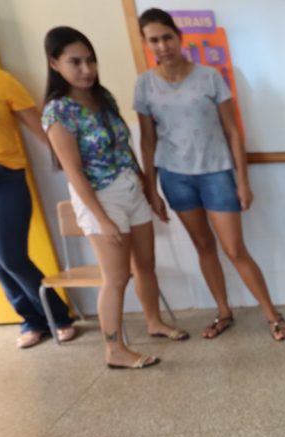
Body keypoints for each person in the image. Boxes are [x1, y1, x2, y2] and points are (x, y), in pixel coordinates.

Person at [135, 8, 285, 342]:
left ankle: (272, 315)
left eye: (167, 37)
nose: (162, 46)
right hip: (175, 178)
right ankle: (223, 312)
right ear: (145, 43)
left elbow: (233, 131)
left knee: (234, 249)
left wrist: (243, 181)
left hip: (217, 173)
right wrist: (152, 190)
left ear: (179, 37)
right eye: (154, 40)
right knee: (203, 247)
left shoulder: (209, 77)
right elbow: (147, 143)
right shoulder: (144, 85)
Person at [43, 26, 187, 369]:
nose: (86, 69)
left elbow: (125, 149)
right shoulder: (57, 111)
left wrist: (149, 190)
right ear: (54, 63)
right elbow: (74, 172)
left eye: (90, 60)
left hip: (130, 189)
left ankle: (154, 322)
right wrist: (103, 220)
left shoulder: (102, 97)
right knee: (117, 278)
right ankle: (115, 350)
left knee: (146, 265)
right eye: (75, 62)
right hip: (99, 199)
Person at [0, 62, 76, 348]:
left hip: (3, 178)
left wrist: (73, 166)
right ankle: (31, 320)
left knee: (11, 257)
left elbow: (39, 126)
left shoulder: (0, 80)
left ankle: (58, 317)